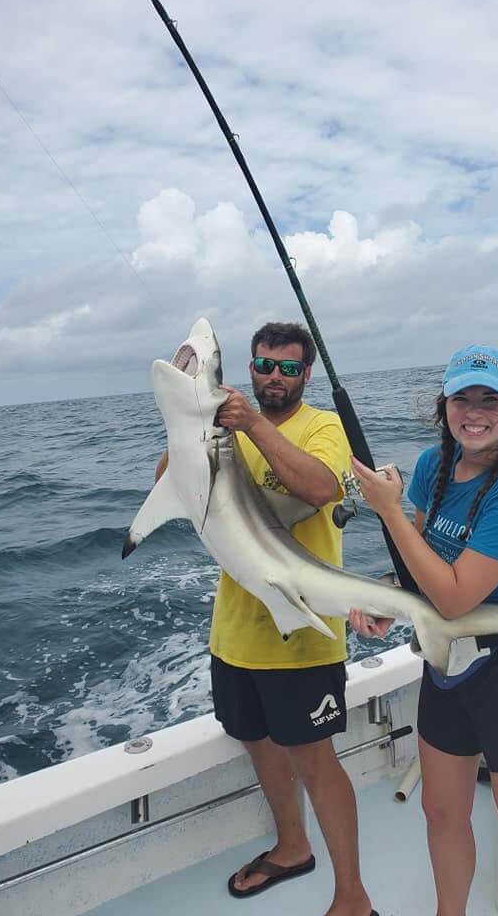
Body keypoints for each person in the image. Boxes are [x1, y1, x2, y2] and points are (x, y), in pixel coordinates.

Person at [348, 344, 498, 916]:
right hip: (449, 669)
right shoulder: (435, 464)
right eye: (462, 397)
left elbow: (456, 595)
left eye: (490, 399)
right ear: (444, 406)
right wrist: (395, 599)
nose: (474, 411)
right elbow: (424, 563)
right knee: (441, 814)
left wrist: (385, 510)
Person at [158, 322, 377, 916]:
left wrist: (251, 423)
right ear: (248, 369)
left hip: (304, 635)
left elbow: (325, 487)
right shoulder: (218, 427)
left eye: (286, 367)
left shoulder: (319, 426)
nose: (273, 376)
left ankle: (353, 896)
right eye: (263, 364)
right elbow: (172, 489)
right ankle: (292, 846)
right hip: (234, 633)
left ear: (304, 374)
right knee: (257, 742)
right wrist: (186, 423)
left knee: (314, 759)